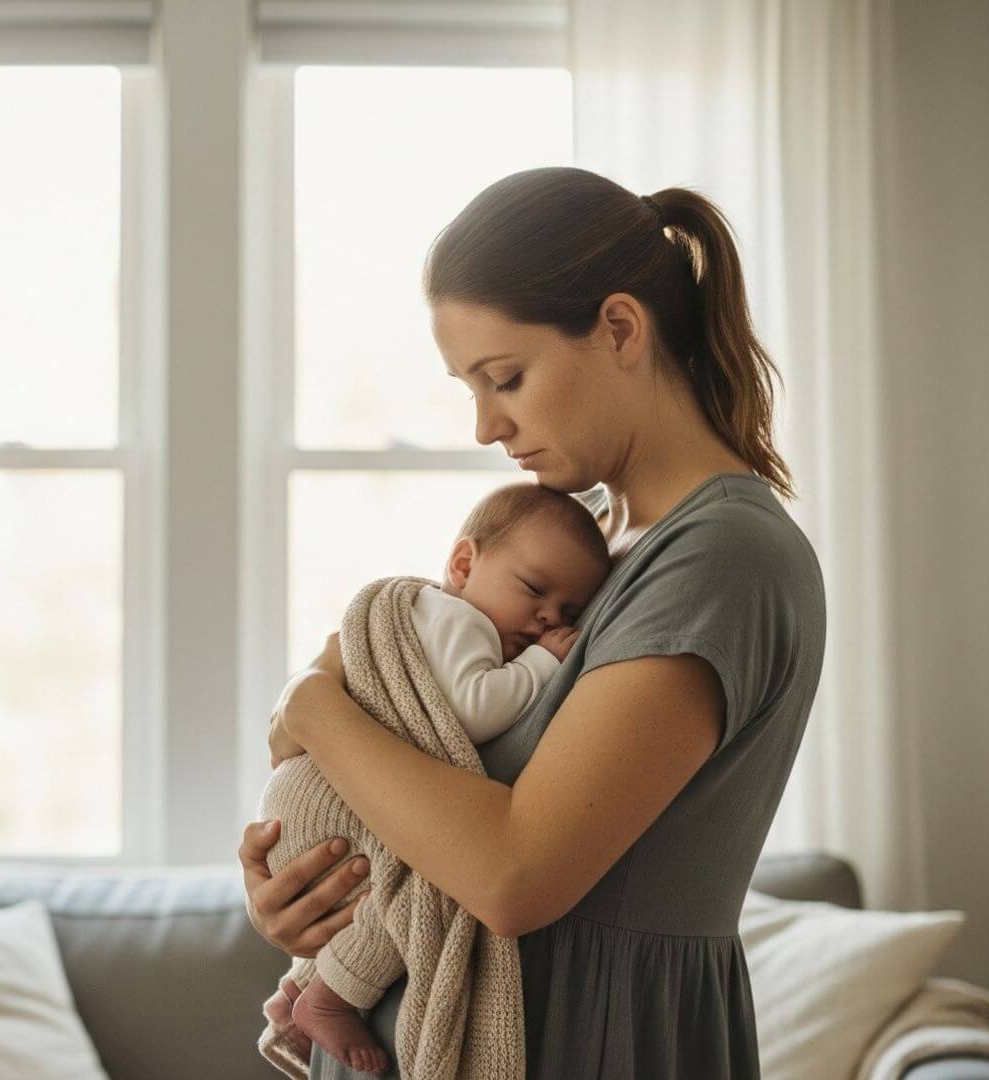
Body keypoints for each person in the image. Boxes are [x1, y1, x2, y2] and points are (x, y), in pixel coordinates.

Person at [240, 165, 827, 1079]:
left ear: (620, 328)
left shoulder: (718, 560)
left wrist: (312, 708)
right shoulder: (582, 549)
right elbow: (388, 729)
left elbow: (515, 876)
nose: (484, 426)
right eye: (470, 387)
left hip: (592, 1043)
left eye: (505, 378)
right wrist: (314, 896)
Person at [255, 481, 610, 1075]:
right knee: (418, 895)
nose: (550, 616)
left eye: (569, 612)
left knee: (385, 891)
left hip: (308, 788)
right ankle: (329, 996)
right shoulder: (461, 623)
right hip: (327, 794)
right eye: (534, 591)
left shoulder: (436, 615)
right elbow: (474, 707)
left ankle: (296, 992)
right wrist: (544, 660)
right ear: (464, 564)